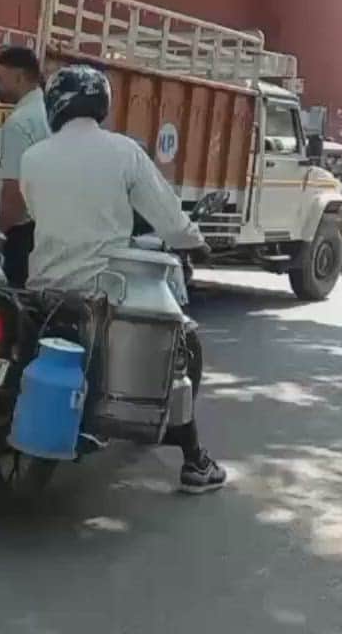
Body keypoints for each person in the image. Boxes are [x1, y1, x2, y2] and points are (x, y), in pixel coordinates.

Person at [20, 64, 227, 494]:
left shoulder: (33, 157)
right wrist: (196, 242)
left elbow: (42, 213)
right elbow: (168, 216)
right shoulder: (124, 152)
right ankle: (194, 462)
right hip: (102, 290)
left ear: (56, 105)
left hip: (42, 287)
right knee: (177, 351)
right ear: (101, 104)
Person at [0, 46, 51, 287]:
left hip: (24, 235)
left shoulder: (19, 123)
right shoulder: (51, 113)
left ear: (18, 77)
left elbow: (14, 192)